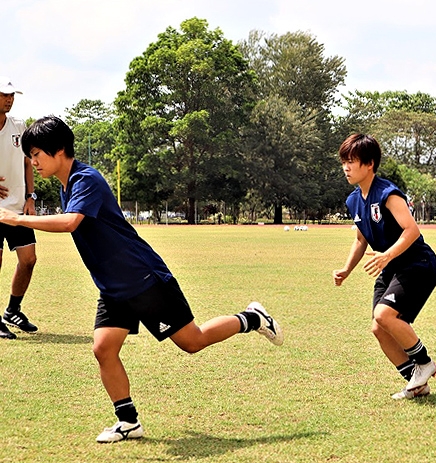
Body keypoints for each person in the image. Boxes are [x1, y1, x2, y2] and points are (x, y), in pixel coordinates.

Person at [0, 116, 284, 442]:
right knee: (104, 348)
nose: (32, 162)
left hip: (143, 279)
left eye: (36, 154)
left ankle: (252, 318)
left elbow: (71, 223)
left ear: (59, 149)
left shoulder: (85, 179)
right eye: (30, 155)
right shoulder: (67, 186)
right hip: (114, 287)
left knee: (193, 341)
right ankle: (128, 422)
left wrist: (17, 218)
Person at [333, 133, 436, 400]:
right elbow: (360, 239)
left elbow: (411, 230)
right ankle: (416, 383)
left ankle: (425, 363)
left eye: (352, 161)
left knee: (384, 315)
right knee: (378, 328)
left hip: (417, 263)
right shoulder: (353, 200)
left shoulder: (387, 193)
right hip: (391, 266)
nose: (346, 167)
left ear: (369, 164)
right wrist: (346, 270)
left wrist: (387, 255)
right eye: (344, 161)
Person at [0, 76, 38, 340]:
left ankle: (12, 311)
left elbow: (28, 163)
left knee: (29, 260)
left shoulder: (19, 126)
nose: (9, 99)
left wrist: (30, 196)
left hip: (17, 209)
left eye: (12, 95)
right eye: (5, 95)